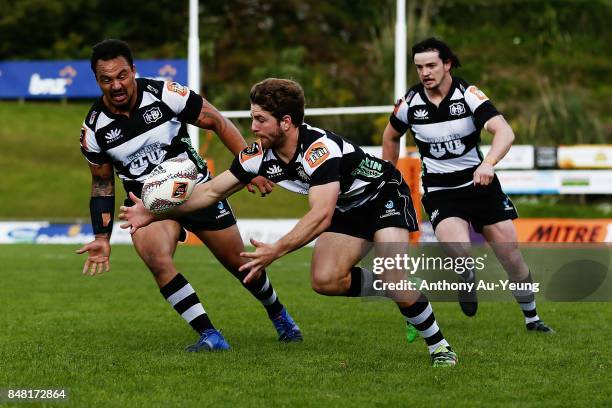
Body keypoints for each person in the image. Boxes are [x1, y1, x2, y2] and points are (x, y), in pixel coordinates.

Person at [121, 78, 459, 367]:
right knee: (325, 280)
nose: (252, 128)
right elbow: (210, 192)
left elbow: (320, 215)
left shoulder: (319, 151)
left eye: (260, 120)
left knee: (391, 273)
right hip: (346, 206)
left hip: (382, 196)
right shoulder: (257, 155)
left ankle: (440, 347)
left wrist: (275, 251)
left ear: (286, 122)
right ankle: (402, 288)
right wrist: (152, 212)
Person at [76, 39, 302, 352]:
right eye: (107, 79)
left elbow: (217, 122)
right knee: (157, 259)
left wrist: (251, 167)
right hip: (147, 206)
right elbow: (101, 184)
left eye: (122, 75)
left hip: (196, 190)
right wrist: (102, 237)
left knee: (240, 265)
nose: (116, 85)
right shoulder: (94, 130)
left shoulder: (165, 93)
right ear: (97, 80)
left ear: (133, 71)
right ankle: (210, 334)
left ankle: (278, 313)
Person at [381, 37, 554, 333]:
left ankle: (532, 318)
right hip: (440, 191)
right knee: (459, 249)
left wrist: (489, 163)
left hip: (479, 184)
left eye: (432, 65)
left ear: (447, 64)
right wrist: (389, 175)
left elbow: (504, 132)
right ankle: (466, 273)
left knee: (510, 256)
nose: (425, 72)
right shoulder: (409, 103)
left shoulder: (469, 95)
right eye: (420, 67)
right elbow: (390, 136)